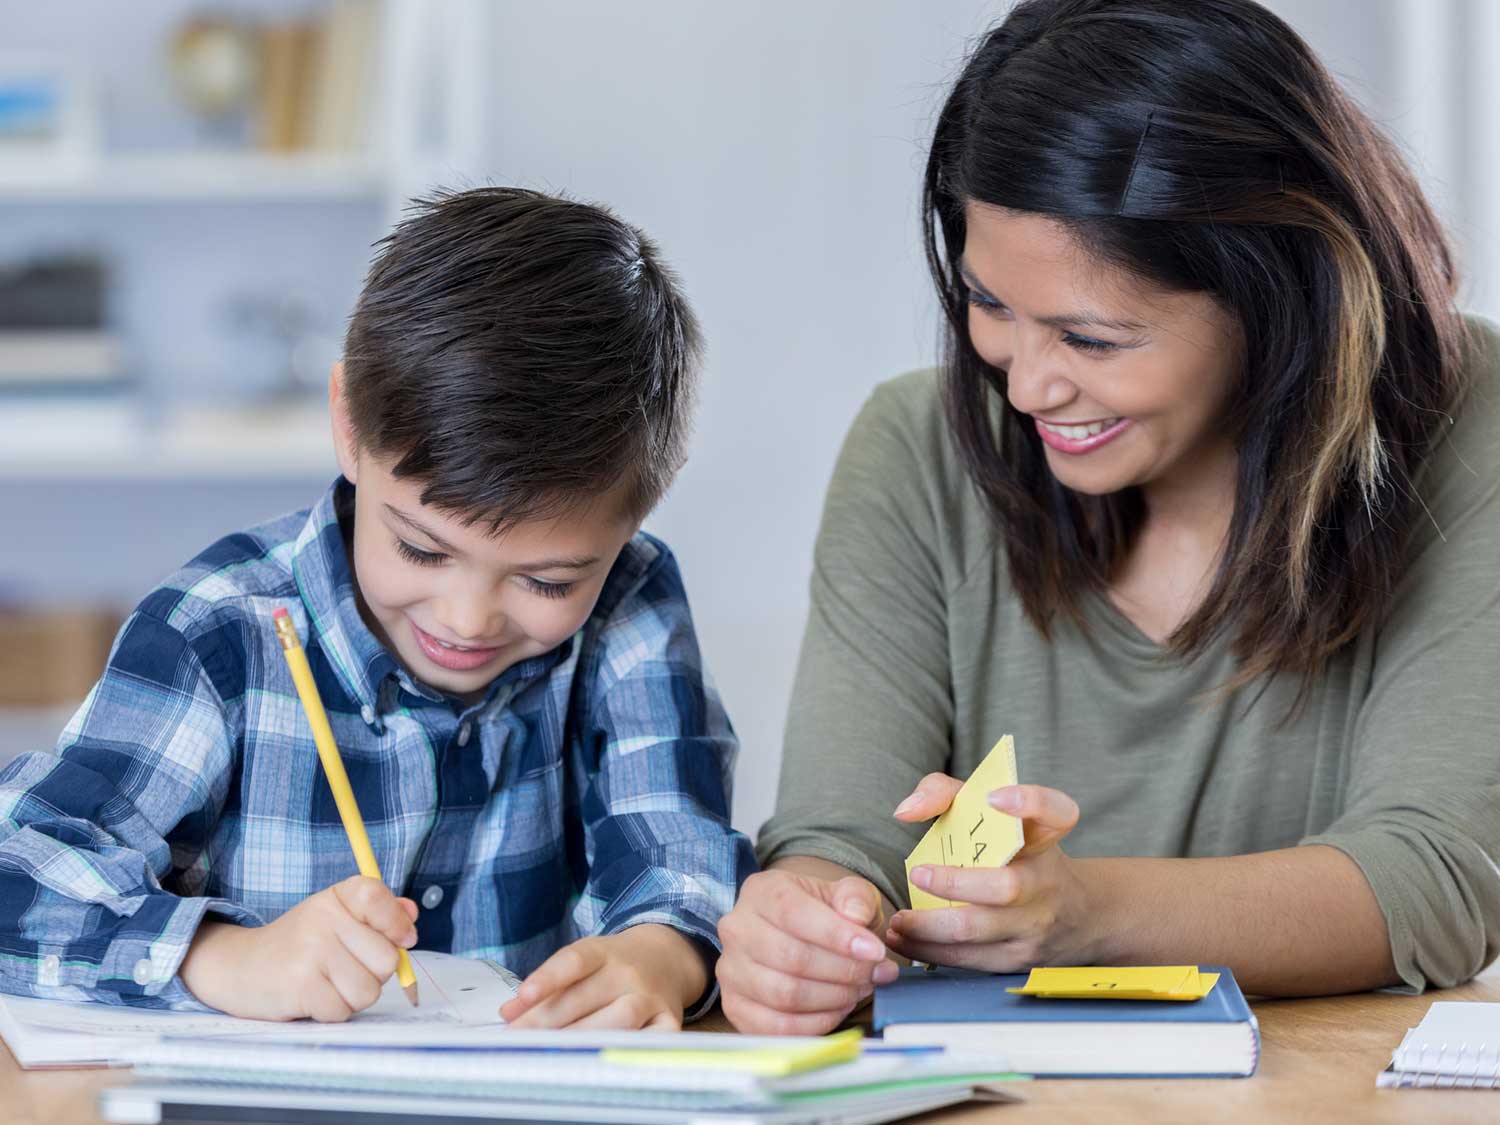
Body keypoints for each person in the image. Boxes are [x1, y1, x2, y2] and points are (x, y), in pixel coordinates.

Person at [717, 0, 1500, 1035]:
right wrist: (807, 919)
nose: (1029, 385)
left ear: (1276, 302)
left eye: (1092, 338)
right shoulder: (912, 446)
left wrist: (1084, 914)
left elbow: (1438, 879)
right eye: (990, 305)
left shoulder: (1469, 419)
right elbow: (845, 833)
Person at [0, 187, 755, 1029]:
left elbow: (676, 845)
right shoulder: (219, 628)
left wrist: (663, 951)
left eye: (545, 582)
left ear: (636, 517)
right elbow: (19, 878)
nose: (467, 620)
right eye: (423, 550)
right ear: (350, 426)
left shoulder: (629, 600)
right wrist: (221, 956)